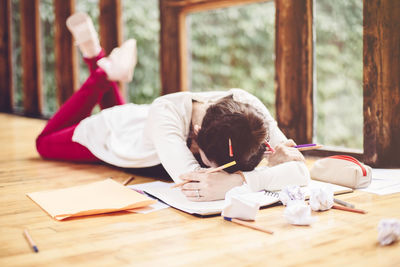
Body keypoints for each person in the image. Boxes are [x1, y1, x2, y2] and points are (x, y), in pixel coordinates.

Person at [36, 13, 309, 202]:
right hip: (114, 135)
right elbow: (193, 183)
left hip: (146, 130)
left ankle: (96, 56)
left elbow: (300, 170)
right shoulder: (165, 113)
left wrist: (238, 180)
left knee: (130, 117)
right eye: (212, 167)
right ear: (197, 133)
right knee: (44, 143)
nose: (218, 173)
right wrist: (258, 176)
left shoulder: (248, 109)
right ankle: (101, 72)